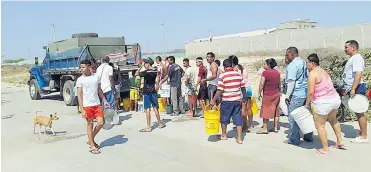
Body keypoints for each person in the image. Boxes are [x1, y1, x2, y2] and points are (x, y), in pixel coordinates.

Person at [305, 53, 345, 154]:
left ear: (312, 63)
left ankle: (325, 149)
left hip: (323, 102)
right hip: (334, 99)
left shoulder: (312, 73)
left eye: (307, 63)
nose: (306, 65)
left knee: (320, 126)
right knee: (333, 120)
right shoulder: (324, 71)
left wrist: (307, 104)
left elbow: (310, 92)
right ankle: (340, 142)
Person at [210, 58, 247, 144]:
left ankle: (223, 135)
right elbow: (243, 88)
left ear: (224, 66)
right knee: (238, 119)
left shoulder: (223, 76)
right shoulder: (238, 75)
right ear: (232, 65)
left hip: (227, 100)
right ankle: (239, 138)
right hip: (237, 100)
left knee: (224, 118)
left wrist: (213, 100)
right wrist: (244, 98)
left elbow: (220, 90)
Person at [76, 60, 110, 154]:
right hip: (87, 106)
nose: (81, 69)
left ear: (88, 67)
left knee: (100, 123)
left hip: (97, 104)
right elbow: (79, 94)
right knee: (90, 125)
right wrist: (82, 109)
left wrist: (105, 100)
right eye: (81, 67)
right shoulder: (80, 80)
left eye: (83, 67)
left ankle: (91, 139)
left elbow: (99, 90)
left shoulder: (96, 77)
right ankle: (92, 146)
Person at [284, 47, 314, 145]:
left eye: (287, 54)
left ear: (292, 54)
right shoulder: (304, 63)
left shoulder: (293, 65)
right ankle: (309, 136)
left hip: (296, 94)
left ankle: (294, 139)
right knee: (305, 116)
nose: (286, 57)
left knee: (293, 117)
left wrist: (287, 96)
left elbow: (291, 82)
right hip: (305, 93)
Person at [342, 40, 368, 143]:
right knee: (357, 112)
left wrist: (353, 88)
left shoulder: (357, 58)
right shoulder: (353, 58)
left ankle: (364, 136)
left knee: (359, 112)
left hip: (357, 87)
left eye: (346, 47)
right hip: (353, 87)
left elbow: (358, 74)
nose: (345, 49)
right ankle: (362, 132)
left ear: (353, 48)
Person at [136, 57, 164, 132]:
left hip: (146, 91)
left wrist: (141, 66)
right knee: (155, 108)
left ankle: (148, 127)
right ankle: (160, 123)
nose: (144, 64)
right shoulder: (155, 70)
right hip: (153, 91)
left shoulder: (146, 72)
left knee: (147, 108)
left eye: (145, 63)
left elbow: (136, 73)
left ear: (148, 64)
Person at [229, 56, 254, 131]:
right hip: (248, 88)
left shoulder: (235, 70)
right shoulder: (243, 68)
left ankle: (244, 126)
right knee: (249, 108)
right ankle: (250, 124)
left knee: (243, 109)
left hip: (242, 89)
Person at [257, 58, 281, 134]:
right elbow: (279, 83)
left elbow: (261, 84)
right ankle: (276, 127)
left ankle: (265, 128)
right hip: (276, 93)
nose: (263, 65)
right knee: (276, 111)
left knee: (265, 110)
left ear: (268, 65)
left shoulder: (265, 73)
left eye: (265, 64)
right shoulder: (277, 73)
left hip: (268, 94)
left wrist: (259, 92)